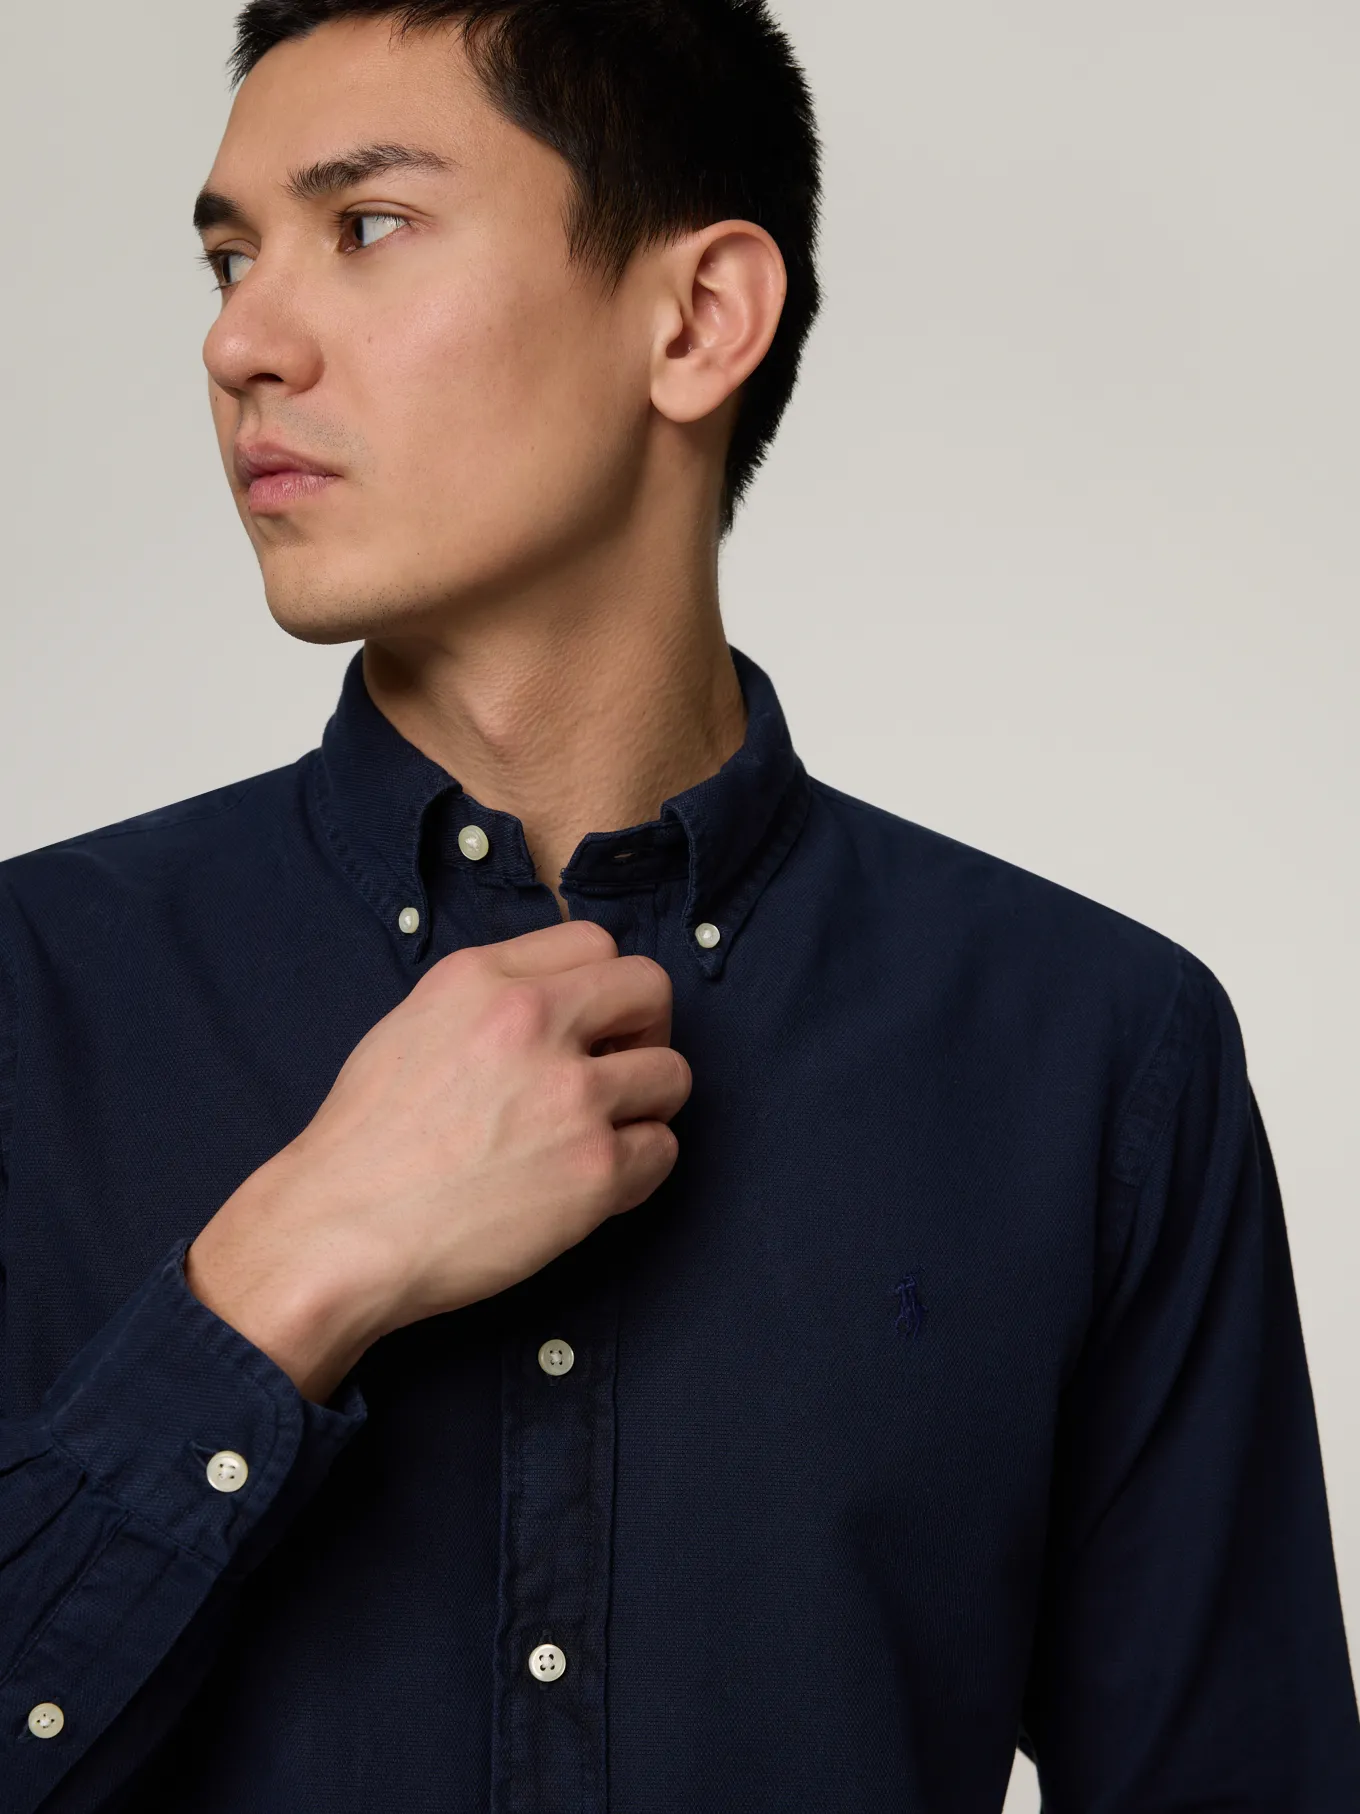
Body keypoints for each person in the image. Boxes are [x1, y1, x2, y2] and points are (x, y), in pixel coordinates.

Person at [1, 1, 1356, 1808]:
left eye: (367, 226)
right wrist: (280, 1276)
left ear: (700, 317)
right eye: (230, 257)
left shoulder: (1098, 1057)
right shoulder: (30, 1002)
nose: (239, 339)